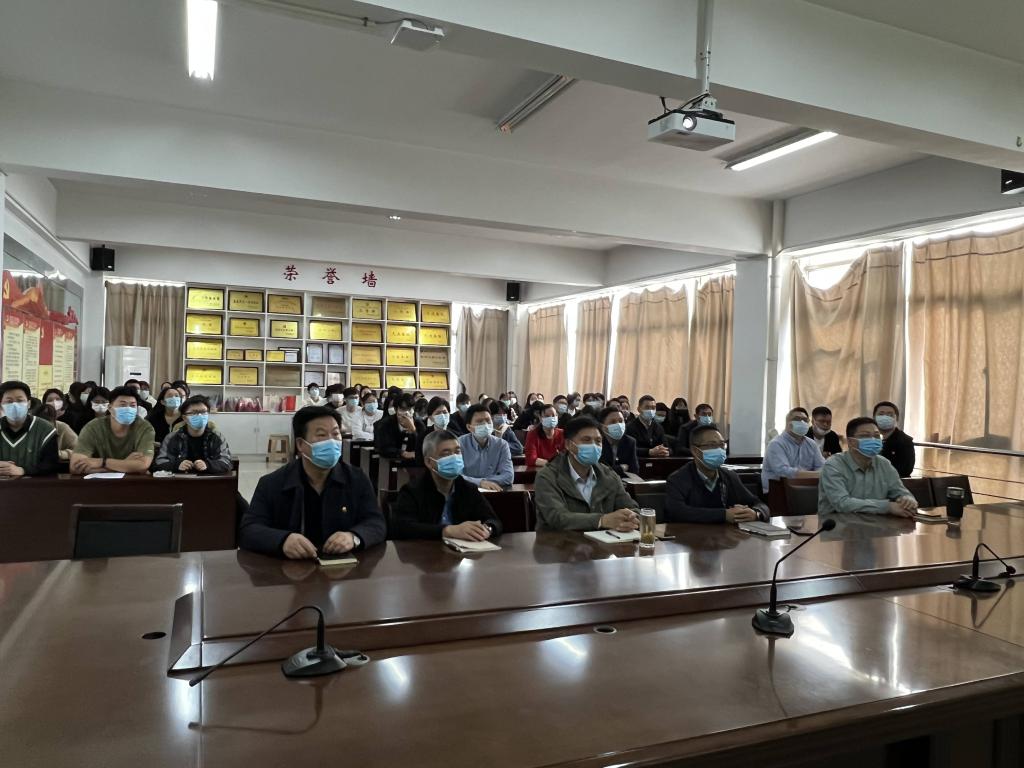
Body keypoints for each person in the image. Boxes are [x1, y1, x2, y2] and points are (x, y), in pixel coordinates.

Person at [239, 406, 386, 558]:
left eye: (336, 434)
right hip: (290, 568)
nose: (331, 441)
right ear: (300, 445)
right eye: (321, 435)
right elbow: (249, 530)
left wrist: (354, 537)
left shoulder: (356, 479)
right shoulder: (272, 483)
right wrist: (282, 540)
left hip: (343, 567)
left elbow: (376, 522)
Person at [390, 430, 503, 541]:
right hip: (426, 551)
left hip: (464, 551)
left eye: (457, 452)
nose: (454, 457)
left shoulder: (468, 489)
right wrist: (446, 531)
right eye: (446, 454)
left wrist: (487, 529)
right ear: (429, 462)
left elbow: (494, 521)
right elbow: (403, 528)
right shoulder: (412, 491)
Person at [533, 416, 640, 531]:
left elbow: (632, 508)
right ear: (568, 444)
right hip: (560, 540)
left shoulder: (608, 475)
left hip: (605, 541)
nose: (594, 446)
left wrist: (631, 518)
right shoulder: (548, 476)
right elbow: (557, 517)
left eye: (598, 441)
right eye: (586, 440)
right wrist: (602, 520)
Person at [666, 425, 769, 524]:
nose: (719, 450)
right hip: (690, 534)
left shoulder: (729, 476)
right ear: (695, 451)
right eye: (712, 445)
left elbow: (759, 504)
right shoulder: (678, 479)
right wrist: (724, 515)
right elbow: (676, 511)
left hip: (725, 534)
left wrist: (756, 513)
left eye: (722, 444)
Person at [818, 417, 918, 516]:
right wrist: (887, 507)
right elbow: (842, 503)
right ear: (851, 442)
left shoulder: (884, 464)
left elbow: (900, 492)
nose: (873, 440)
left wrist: (907, 500)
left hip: (877, 523)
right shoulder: (833, 465)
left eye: (877, 436)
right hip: (837, 523)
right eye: (865, 436)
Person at [70, 386, 155, 475]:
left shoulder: (144, 428)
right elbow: (75, 467)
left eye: (133, 405)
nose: (128, 409)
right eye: (123, 405)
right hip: (98, 482)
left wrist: (102, 462)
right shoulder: (93, 427)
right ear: (110, 408)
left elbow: (143, 465)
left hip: (133, 482)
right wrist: (126, 464)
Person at [154, 395, 233, 474]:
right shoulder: (172, 437)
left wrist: (208, 465)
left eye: (203, 412)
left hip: (208, 479)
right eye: (194, 412)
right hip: (180, 479)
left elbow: (227, 462)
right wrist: (176, 465)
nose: (199, 415)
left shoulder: (216, 437)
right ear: (184, 418)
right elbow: (159, 463)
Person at [0, 381, 59, 476]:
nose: (15, 405)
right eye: (9, 401)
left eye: (20, 400)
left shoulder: (46, 429)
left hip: (35, 484)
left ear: (28, 403)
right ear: (1, 404)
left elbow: (51, 466)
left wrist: (23, 470)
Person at [761, 407, 825, 492]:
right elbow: (784, 472)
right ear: (788, 423)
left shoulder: (811, 444)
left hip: (807, 489)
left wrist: (819, 474)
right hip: (778, 491)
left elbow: (822, 466)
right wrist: (815, 475)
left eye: (805, 420)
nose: (802, 422)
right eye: (797, 419)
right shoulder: (776, 444)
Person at [457, 404, 514, 490]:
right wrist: (480, 483)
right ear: (469, 427)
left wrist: (482, 482)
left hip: (493, 491)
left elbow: (508, 476)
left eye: (488, 420)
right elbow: (456, 477)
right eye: (479, 422)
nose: (485, 424)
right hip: (466, 492)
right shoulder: (459, 444)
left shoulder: (501, 445)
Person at [373, 392, 424, 461]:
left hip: (414, 462)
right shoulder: (385, 424)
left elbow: (423, 447)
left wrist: (413, 430)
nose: (407, 413)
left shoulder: (419, 424)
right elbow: (384, 448)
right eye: (403, 409)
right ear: (395, 409)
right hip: (391, 461)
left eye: (409, 409)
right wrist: (402, 453)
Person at [874, 401, 915, 477]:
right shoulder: (868, 439)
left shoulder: (905, 441)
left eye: (890, 415)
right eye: (881, 414)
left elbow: (905, 470)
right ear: (874, 418)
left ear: (897, 419)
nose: (885, 417)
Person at [598, 406, 639, 477]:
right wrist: (621, 468)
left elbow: (634, 470)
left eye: (621, 421)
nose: (618, 425)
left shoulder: (630, 441)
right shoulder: (597, 442)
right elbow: (601, 471)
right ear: (602, 426)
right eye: (613, 422)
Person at [524, 403, 564, 467]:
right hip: (539, 470)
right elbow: (531, 459)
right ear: (540, 418)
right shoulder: (532, 434)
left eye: (553, 415)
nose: (551, 418)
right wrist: (550, 464)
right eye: (547, 416)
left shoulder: (562, 433)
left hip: (559, 469)